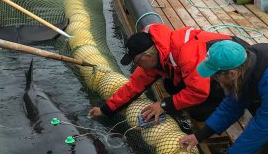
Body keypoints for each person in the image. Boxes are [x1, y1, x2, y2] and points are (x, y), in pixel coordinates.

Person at [88, 24, 245, 123]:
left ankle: (230, 104)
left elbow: (198, 92)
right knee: (170, 85)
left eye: (136, 62)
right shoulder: (156, 53)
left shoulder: (186, 56)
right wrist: (105, 110)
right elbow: (134, 86)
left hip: (236, 63)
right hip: (204, 68)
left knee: (200, 112)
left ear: (147, 56)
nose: (137, 66)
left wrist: (164, 105)